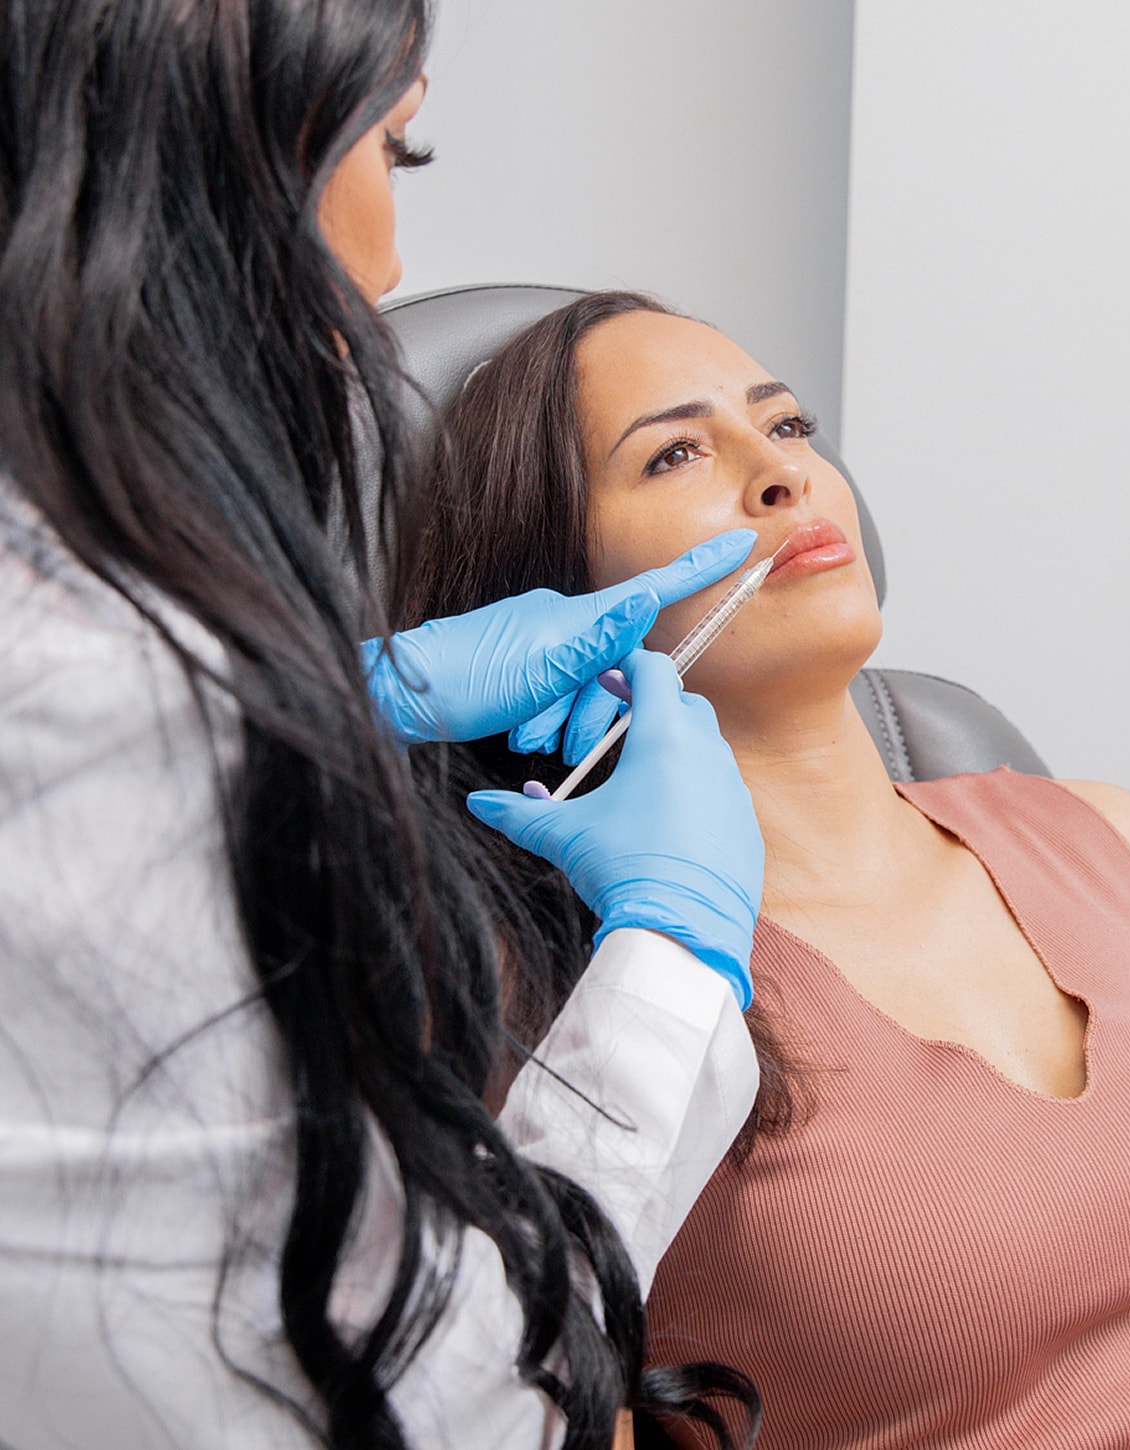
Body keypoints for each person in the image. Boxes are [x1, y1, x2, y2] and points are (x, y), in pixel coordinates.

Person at [0, 9, 768, 1449]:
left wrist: (347, 694)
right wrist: (675, 954)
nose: (388, 272)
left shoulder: (1069, 825)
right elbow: (438, 1402)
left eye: (790, 430)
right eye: (393, 143)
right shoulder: (117, 732)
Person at [402, 288, 1130, 1450]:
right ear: (550, 596)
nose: (786, 480)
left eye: (785, 426)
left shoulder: (1106, 832)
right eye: (676, 452)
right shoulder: (583, 1008)